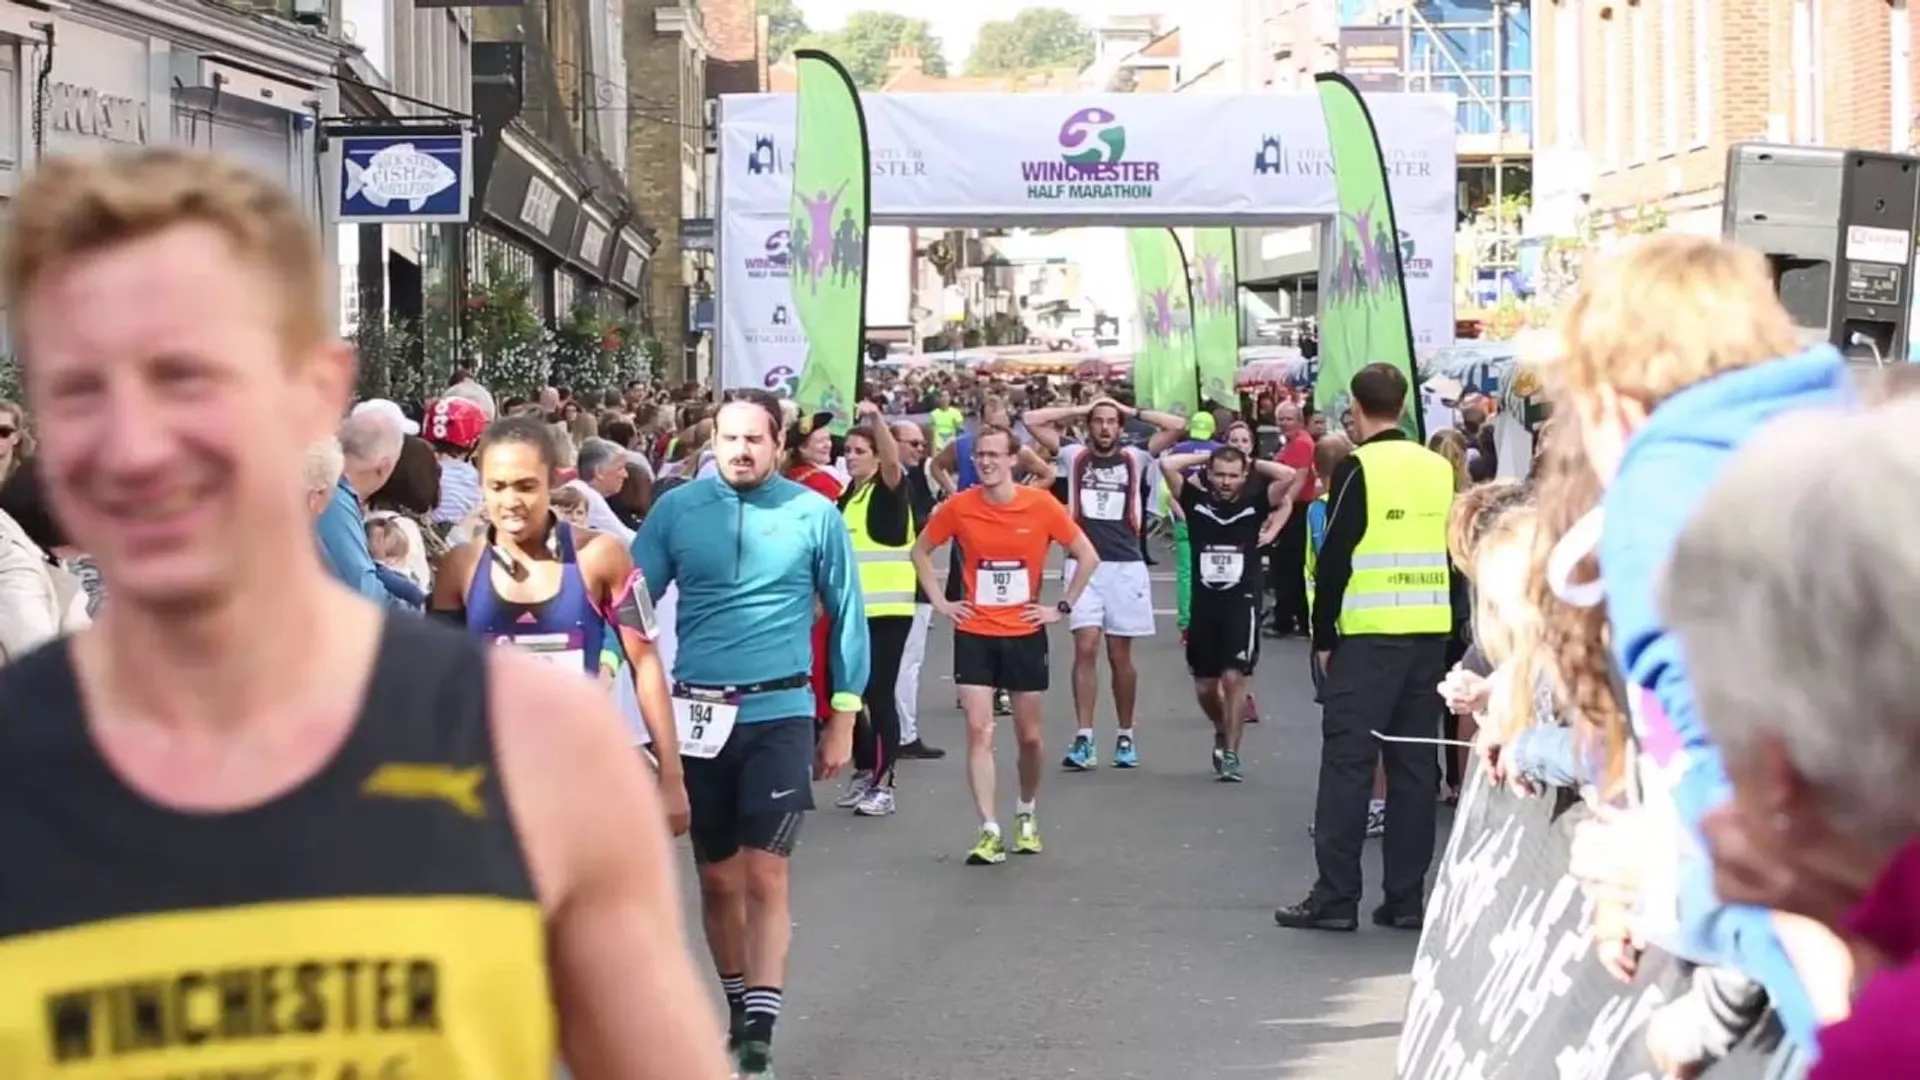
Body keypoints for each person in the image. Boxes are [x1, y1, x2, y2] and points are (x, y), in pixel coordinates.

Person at [0, 147, 728, 1080]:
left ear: (314, 390)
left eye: (187, 378)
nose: (136, 445)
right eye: (81, 390)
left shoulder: (533, 750)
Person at [631, 392, 868, 1080]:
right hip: (699, 713)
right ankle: (739, 1007)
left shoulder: (813, 514)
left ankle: (758, 1035)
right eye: (728, 439)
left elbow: (848, 615)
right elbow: (632, 601)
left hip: (781, 710)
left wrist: (843, 718)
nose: (739, 450)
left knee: (765, 872)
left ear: (777, 442)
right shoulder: (677, 511)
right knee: (716, 880)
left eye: (753, 440)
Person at [1276, 362, 1458, 933]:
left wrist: (1323, 636)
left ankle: (1336, 897)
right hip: (1428, 635)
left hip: (1368, 637)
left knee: (1349, 765)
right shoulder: (1439, 467)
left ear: (1355, 407)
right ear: (1402, 404)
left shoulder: (1358, 466)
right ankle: (1405, 899)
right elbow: (1453, 549)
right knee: (1413, 771)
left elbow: (1335, 558)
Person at [910, 424, 1098, 864]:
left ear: (1014, 460)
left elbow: (1087, 555)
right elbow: (920, 551)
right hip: (975, 630)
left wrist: (1061, 608)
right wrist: (942, 601)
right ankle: (988, 828)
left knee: (1029, 738)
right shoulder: (959, 507)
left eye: (995, 455)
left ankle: (1026, 812)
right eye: (980, 456)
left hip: (1024, 633)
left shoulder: (1040, 505)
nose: (987, 462)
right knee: (979, 730)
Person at [1025, 396, 1184, 770]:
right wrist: (1081, 409)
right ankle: (1084, 737)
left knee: (1119, 655)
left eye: (1112, 421)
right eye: (1098, 421)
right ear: (1090, 425)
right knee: (1085, 646)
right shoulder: (1073, 454)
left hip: (1125, 566)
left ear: (1120, 427)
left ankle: (1125, 734)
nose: (1105, 427)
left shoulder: (1136, 455)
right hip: (1083, 566)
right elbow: (1032, 419)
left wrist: (1130, 411)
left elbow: (1177, 425)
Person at [1157, 445, 1293, 781]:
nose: (1226, 481)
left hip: (1241, 602)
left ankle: (1231, 753)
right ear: (1208, 474)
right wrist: (1209, 456)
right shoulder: (1195, 501)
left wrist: (1250, 461)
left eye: (1233, 475)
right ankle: (1221, 727)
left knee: (1234, 677)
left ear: (1244, 476)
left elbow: (1288, 476)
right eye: (1219, 474)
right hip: (1205, 605)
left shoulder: (1255, 503)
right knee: (1205, 686)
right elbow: (1167, 463)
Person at [833, 402, 917, 816]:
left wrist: (877, 422)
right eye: (846, 451)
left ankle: (885, 784)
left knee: (879, 695)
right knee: (855, 694)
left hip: (889, 612)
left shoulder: (887, 490)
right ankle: (865, 769)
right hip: (854, 612)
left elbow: (893, 460)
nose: (849, 457)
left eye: (858, 450)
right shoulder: (847, 497)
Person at [890, 419, 946, 760]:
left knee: (904, 663)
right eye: (912, 443)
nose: (919, 449)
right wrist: (936, 519)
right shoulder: (896, 484)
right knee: (905, 664)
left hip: (909, 584)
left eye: (921, 444)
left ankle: (899, 730)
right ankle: (903, 733)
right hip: (903, 586)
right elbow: (909, 533)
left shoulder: (913, 481)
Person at [1161, 411, 1221, 640]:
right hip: (1213, 521)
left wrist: (1182, 515)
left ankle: (1187, 623)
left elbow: (1169, 493)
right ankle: (1213, 622)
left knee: (1187, 574)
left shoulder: (1178, 452)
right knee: (1214, 572)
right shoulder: (1220, 452)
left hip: (1184, 519)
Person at [1266, 401, 1314, 637]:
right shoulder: (1293, 442)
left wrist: (1281, 509)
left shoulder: (1302, 444)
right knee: (1287, 567)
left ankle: (1288, 620)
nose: (1284, 423)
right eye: (1281, 419)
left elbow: (1299, 479)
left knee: (1288, 567)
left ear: (1300, 420)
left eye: (1289, 419)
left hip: (1296, 510)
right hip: (1293, 509)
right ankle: (1291, 618)